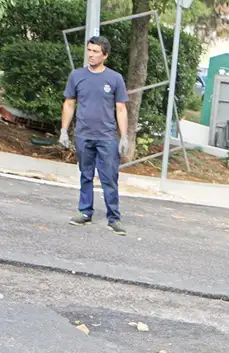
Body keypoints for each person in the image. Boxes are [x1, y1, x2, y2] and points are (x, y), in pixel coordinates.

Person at [60, 36, 129, 236]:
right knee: (86, 175)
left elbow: (121, 108)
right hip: (83, 135)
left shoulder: (115, 78)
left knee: (109, 178)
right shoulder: (77, 75)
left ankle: (114, 219)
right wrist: (64, 130)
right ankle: (85, 212)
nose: (91, 54)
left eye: (96, 51)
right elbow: (69, 103)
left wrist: (123, 136)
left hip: (107, 137)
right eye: (89, 50)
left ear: (105, 55)